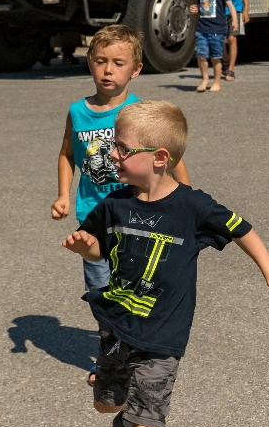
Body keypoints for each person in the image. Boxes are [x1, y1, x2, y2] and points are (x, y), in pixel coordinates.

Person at [62, 100, 269, 427]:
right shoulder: (113, 204)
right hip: (116, 327)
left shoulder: (194, 207)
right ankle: (123, 410)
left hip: (162, 337)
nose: (111, 155)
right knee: (106, 404)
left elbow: (241, 229)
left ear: (159, 158)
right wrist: (86, 248)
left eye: (122, 148)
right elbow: (99, 250)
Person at [52, 25, 191, 309]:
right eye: (100, 61)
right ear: (89, 63)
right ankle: (109, 330)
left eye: (118, 63)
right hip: (93, 214)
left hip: (134, 212)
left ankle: (128, 328)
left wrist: (185, 198)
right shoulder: (77, 112)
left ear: (135, 69)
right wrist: (63, 194)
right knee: (99, 287)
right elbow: (67, 154)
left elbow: (171, 157)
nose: (108, 70)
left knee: (134, 282)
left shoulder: (140, 113)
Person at [189, 0, 237, 93]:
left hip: (217, 31)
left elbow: (230, 6)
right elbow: (202, 8)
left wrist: (234, 20)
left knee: (215, 58)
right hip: (202, 30)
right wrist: (196, 9)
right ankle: (205, 79)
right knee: (201, 55)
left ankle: (217, 82)